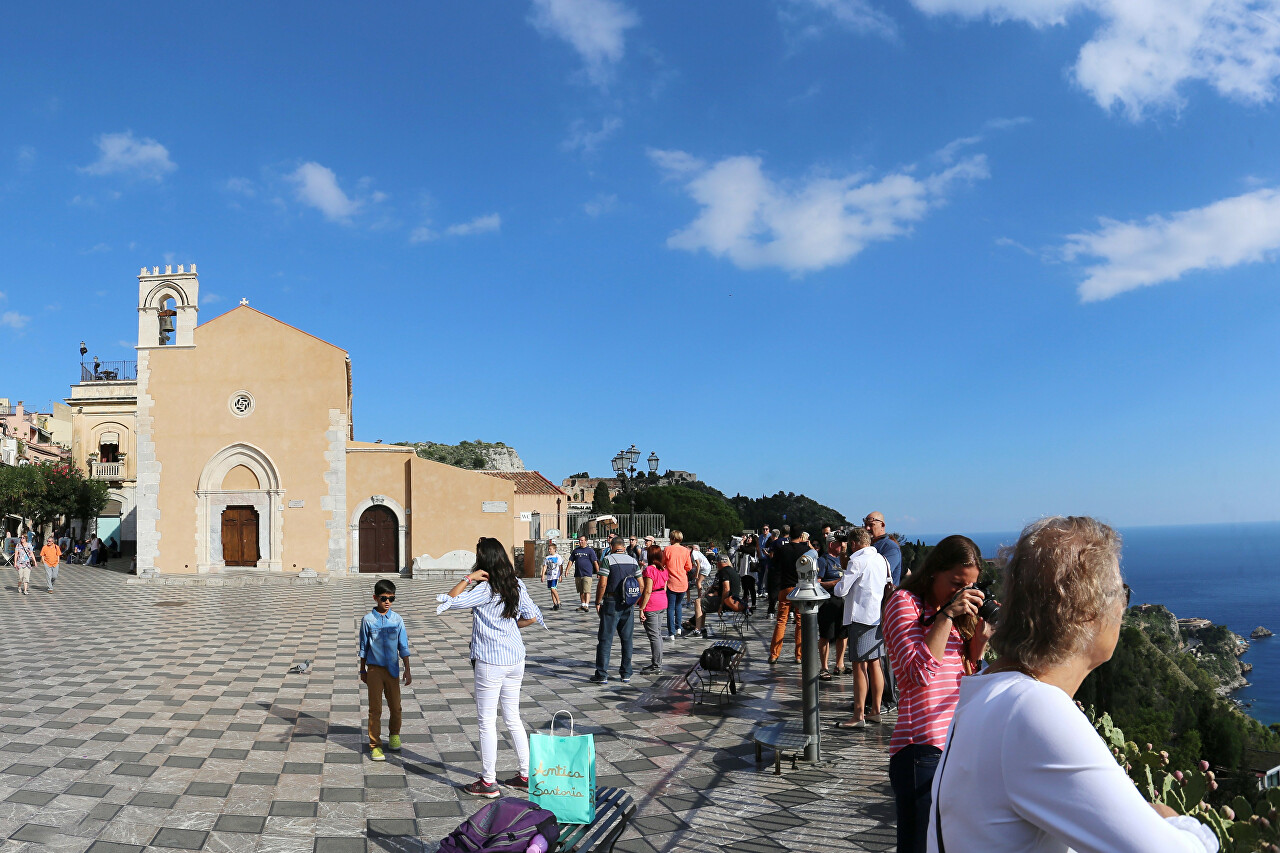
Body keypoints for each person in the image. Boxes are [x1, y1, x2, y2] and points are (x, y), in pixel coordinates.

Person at [929, 517, 1218, 853]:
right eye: (1122, 594)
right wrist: (1168, 820)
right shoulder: (1031, 711)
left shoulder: (990, 692)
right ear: (1088, 612)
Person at [883, 535, 990, 853]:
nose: (962, 593)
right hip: (921, 751)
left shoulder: (953, 615)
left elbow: (965, 678)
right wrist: (945, 616)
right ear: (933, 572)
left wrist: (979, 644)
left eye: (968, 586)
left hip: (957, 747)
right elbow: (918, 675)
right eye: (956, 583)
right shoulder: (905, 603)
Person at [437, 538, 545, 797]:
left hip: (490, 661)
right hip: (515, 658)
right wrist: (508, 629)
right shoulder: (516, 584)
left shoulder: (485, 589)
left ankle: (488, 781)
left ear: (484, 560)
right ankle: (525, 774)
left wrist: (468, 577)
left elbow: (449, 601)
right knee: (513, 717)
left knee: (487, 722)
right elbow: (531, 616)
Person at [835, 527, 893, 727]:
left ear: (853, 544)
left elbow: (841, 589)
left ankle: (858, 715)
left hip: (860, 618)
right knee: (876, 663)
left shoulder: (857, 561)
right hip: (879, 617)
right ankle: (876, 710)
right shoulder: (882, 559)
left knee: (859, 666)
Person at [358, 579, 412, 763]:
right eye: (383, 598)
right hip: (374, 670)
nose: (387, 602)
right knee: (375, 710)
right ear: (375, 598)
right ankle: (375, 745)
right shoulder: (367, 620)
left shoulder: (397, 620)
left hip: (392, 670)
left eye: (391, 598)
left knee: (396, 706)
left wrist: (408, 669)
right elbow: (364, 647)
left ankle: (394, 734)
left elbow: (403, 645)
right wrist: (362, 670)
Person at [867, 511, 904, 709]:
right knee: (871, 656)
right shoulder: (869, 546)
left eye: (871, 523)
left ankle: (887, 698)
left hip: (884, 606)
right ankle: (872, 698)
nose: (867, 527)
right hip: (869, 608)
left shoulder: (889, 547)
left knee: (882, 655)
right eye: (865, 523)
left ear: (882, 524)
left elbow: (883, 573)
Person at [591, 538, 640, 684]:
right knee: (627, 639)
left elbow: (603, 583)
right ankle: (626, 673)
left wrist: (597, 601)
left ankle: (602, 674)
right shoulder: (633, 561)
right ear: (624, 547)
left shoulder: (608, 559)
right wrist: (635, 601)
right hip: (628, 603)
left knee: (605, 639)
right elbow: (641, 584)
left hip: (611, 601)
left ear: (612, 546)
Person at [768, 531, 816, 664]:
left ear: (789, 536)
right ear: (802, 536)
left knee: (781, 621)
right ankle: (799, 655)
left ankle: (774, 654)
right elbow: (815, 557)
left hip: (784, 587)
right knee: (800, 622)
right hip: (800, 588)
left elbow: (774, 563)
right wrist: (809, 544)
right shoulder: (806, 549)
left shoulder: (783, 549)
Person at [817, 538, 847, 680]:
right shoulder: (823, 561)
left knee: (843, 634)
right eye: (839, 543)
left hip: (842, 602)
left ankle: (840, 664)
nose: (842, 545)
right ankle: (824, 667)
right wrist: (834, 583)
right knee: (826, 635)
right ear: (831, 544)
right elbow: (817, 583)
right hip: (828, 602)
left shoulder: (843, 559)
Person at [638, 545, 668, 674]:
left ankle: (656, 665)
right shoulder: (663, 570)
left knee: (654, 636)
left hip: (652, 603)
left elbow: (648, 590)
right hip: (662, 601)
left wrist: (641, 608)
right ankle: (658, 662)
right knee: (658, 633)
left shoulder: (649, 570)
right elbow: (665, 587)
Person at [663, 530, 691, 642]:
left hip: (671, 581)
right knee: (679, 605)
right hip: (683, 581)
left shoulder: (667, 549)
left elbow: (663, 563)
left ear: (672, 538)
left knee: (670, 607)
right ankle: (678, 627)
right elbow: (688, 566)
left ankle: (671, 633)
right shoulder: (686, 550)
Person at [687, 544, 714, 637]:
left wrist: (697, 574)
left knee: (698, 582)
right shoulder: (693, 553)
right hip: (705, 567)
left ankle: (700, 597)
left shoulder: (693, 553)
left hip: (704, 568)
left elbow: (698, 564)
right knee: (698, 582)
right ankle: (700, 595)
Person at [569, 535, 598, 612]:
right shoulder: (576, 551)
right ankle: (582, 604)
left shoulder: (590, 551)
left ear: (586, 541)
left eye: (582, 540)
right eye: (579, 540)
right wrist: (567, 570)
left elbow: (595, 562)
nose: (580, 542)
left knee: (587, 590)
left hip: (587, 574)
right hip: (578, 574)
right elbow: (571, 561)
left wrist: (598, 572)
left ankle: (587, 605)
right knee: (581, 590)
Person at [736, 534, 759, 610]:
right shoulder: (746, 547)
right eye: (748, 538)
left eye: (750, 538)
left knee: (751, 588)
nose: (748, 539)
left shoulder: (752, 548)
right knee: (745, 588)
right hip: (744, 571)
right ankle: (744, 603)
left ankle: (753, 604)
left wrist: (742, 541)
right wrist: (740, 541)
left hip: (750, 572)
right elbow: (738, 548)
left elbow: (743, 549)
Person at [540, 542, 564, 611]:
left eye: (550, 549)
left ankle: (558, 601)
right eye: (548, 549)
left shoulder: (557, 557)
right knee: (551, 590)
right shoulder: (547, 558)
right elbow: (545, 567)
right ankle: (555, 604)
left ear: (554, 549)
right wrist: (543, 575)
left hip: (555, 576)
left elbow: (560, 566)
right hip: (549, 576)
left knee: (553, 588)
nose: (549, 550)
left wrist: (560, 575)